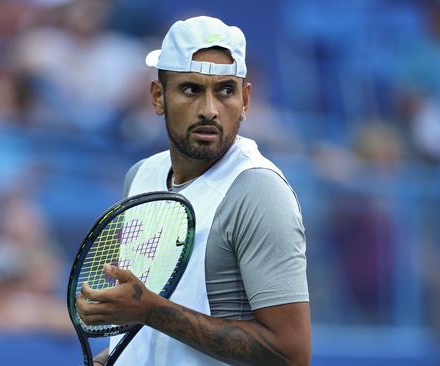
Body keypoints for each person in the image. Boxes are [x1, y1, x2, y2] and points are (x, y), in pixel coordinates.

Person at [76, 16, 310, 366]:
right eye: (191, 89)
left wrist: (151, 310)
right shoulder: (140, 176)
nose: (210, 110)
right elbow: (149, 323)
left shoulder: (259, 193)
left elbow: (293, 354)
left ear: (246, 100)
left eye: (226, 91)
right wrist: (115, 358)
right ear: (158, 97)